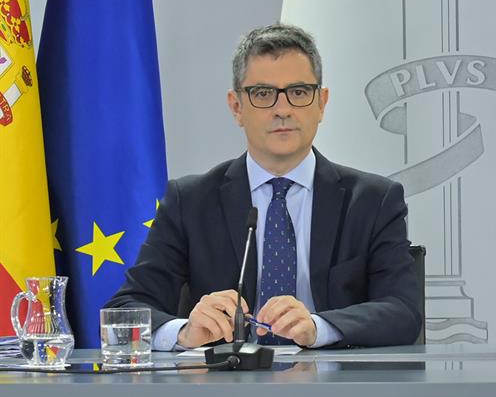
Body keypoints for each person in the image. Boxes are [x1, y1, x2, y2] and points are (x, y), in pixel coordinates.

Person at [106, 24, 422, 349]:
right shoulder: (190, 202)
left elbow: (403, 312)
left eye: (299, 92)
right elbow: (124, 312)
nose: (282, 109)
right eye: (263, 94)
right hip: (224, 392)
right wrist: (185, 332)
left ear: (322, 103)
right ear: (236, 107)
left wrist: (319, 327)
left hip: (335, 391)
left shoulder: (373, 201)